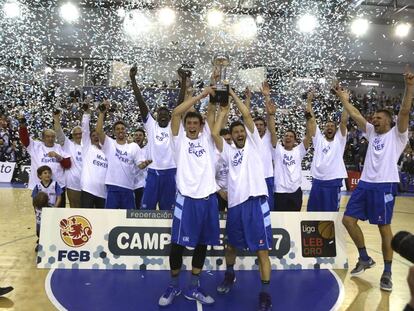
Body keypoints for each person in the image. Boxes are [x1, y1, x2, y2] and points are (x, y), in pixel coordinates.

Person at [334, 70, 413, 292]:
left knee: (383, 227)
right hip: (365, 184)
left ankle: (387, 273)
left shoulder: (398, 135)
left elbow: (405, 110)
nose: (374, 120)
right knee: (348, 220)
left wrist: (409, 87)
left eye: (379, 118)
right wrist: (343, 99)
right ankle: (364, 257)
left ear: (389, 121)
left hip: (384, 184)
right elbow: (356, 113)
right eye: (374, 118)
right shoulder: (370, 132)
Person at [212, 88, 273, 311]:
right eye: (235, 131)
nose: (239, 133)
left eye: (241, 131)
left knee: (262, 251)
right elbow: (214, 134)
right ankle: (230, 276)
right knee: (230, 246)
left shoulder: (254, 145)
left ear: (246, 133)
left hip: (256, 203)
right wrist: (224, 110)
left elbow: (247, 116)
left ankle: (265, 293)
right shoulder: (227, 152)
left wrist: (234, 96)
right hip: (235, 206)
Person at [158, 87, 219, 307]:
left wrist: (214, 87)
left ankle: (194, 285)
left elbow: (212, 111)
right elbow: (176, 113)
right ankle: (174, 285)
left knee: (202, 244)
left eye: (196, 123)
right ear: (185, 126)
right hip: (186, 199)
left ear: (201, 126)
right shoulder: (179, 141)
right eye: (189, 123)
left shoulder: (208, 140)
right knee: (177, 246)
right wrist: (202, 95)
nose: (192, 126)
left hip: (208, 200)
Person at [130, 66, 190, 210]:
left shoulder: (174, 126)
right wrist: (133, 80)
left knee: (168, 211)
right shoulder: (151, 125)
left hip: (171, 172)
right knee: (146, 210)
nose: (163, 115)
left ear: (171, 116)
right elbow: (140, 102)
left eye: (166, 113)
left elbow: (180, 103)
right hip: (153, 172)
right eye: (160, 113)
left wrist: (183, 81)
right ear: (156, 117)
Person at [96, 100, 146, 209]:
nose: (120, 130)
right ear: (114, 132)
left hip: (128, 188)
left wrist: (145, 164)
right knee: (109, 218)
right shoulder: (109, 144)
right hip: (112, 187)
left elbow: (140, 165)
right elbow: (99, 132)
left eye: (122, 128)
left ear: (126, 131)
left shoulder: (133, 146)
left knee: (129, 221)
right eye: (117, 129)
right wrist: (102, 113)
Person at [306, 91, 349, 211]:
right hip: (317, 181)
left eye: (332, 126)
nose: (329, 127)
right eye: (327, 126)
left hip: (333, 181)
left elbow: (344, 121)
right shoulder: (318, 139)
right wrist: (309, 101)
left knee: (330, 216)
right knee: (312, 214)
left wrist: (345, 101)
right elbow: (311, 120)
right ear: (324, 129)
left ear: (335, 129)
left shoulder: (339, 140)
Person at [268, 100, 312, 212]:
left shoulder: (299, 150)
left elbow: (309, 135)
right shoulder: (278, 150)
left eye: (291, 136)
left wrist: (308, 117)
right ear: (283, 139)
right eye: (286, 136)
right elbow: (272, 132)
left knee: (295, 221)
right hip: (280, 192)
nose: (288, 137)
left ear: (295, 140)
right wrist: (272, 115)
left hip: (295, 192)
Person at [18, 116, 71, 207]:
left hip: (58, 187)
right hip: (40, 187)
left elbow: (68, 164)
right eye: (47, 136)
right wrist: (22, 124)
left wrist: (58, 156)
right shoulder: (36, 146)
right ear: (43, 138)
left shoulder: (59, 147)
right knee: (41, 215)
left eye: (52, 137)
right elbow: (24, 139)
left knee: (59, 216)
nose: (50, 139)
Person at [244, 84, 275, 210]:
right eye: (255, 124)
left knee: (269, 209)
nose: (258, 126)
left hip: (267, 177)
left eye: (261, 124)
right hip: (252, 177)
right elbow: (246, 117)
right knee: (252, 208)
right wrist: (247, 99)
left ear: (265, 126)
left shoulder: (269, 135)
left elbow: (270, 116)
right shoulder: (249, 137)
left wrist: (267, 96)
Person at [80, 103, 108, 209]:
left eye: (97, 135)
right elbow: (85, 130)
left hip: (103, 192)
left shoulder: (107, 151)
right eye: (93, 136)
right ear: (90, 138)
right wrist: (86, 114)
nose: (96, 137)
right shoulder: (87, 148)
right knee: (87, 218)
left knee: (102, 221)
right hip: (88, 190)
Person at [54, 112, 82, 208]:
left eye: (80, 134)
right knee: (74, 208)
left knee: (88, 210)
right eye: (76, 134)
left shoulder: (89, 146)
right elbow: (58, 132)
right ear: (73, 135)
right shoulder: (68, 145)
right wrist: (56, 118)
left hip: (87, 185)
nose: (78, 136)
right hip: (72, 184)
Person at [32, 165, 63, 250]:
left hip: (51, 209)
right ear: (39, 176)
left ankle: (51, 242)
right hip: (40, 210)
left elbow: (59, 197)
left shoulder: (55, 184)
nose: (47, 174)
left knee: (52, 226)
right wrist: (36, 209)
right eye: (45, 173)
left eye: (49, 173)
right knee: (39, 228)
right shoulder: (38, 186)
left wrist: (55, 208)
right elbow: (34, 199)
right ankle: (41, 241)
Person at [133, 128, 151, 209]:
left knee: (141, 210)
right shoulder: (130, 149)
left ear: (144, 137)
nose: (138, 137)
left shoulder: (147, 150)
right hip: (131, 186)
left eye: (140, 135)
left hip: (143, 185)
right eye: (136, 135)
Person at [215, 128, 232, 211]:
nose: (226, 143)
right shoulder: (214, 157)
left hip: (233, 193)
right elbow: (209, 177)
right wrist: (220, 191)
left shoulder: (235, 153)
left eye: (228, 139)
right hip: (218, 193)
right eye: (224, 140)